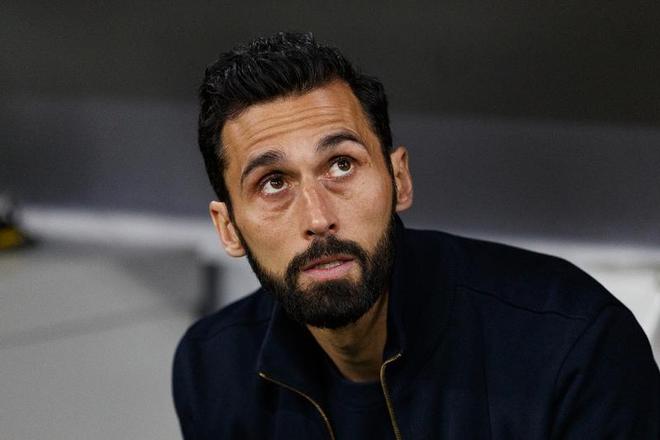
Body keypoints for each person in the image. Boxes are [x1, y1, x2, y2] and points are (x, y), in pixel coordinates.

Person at [172, 32, 659, 439]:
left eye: (341, 165)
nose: (317, 218)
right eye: (273, 183)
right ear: (228, 228)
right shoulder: (213, 367)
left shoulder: (573, 342)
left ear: (399, 179)